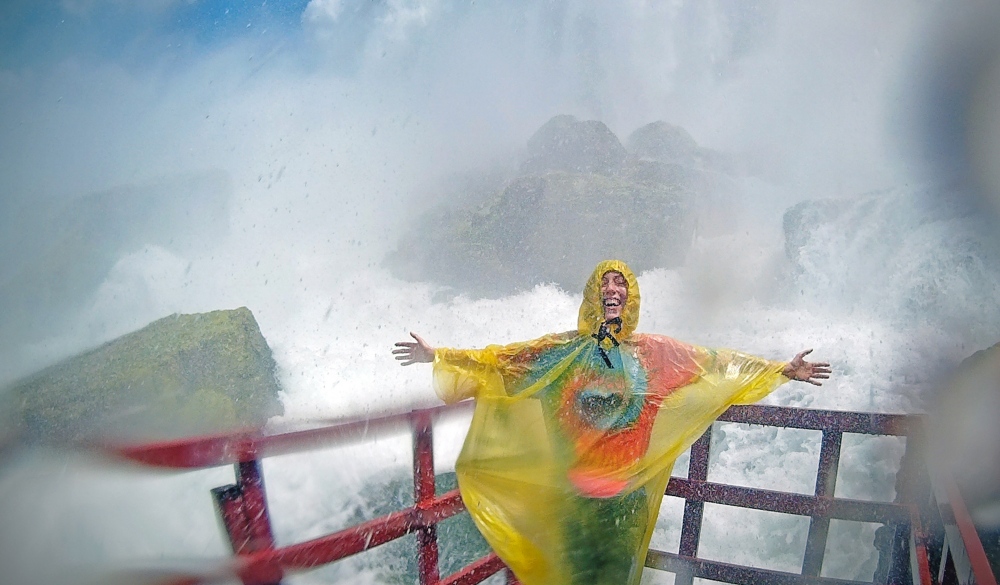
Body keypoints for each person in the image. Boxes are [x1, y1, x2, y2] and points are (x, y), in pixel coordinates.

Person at [393, 260, 830, 585]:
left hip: (625, 503)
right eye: (604, 281)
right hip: (572, 502)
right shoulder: (560, 352)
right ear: (590, 295)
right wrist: (439, 356)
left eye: (621, 282)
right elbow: (499, 359)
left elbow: (719, 365)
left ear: (632, 297)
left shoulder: (656, 354)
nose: (612, 287)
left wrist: (780, 369)